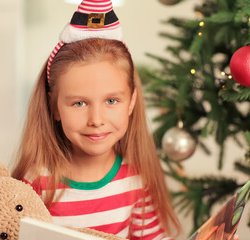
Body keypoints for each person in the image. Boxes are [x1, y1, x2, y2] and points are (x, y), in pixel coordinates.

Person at [12, 1, 180, 239]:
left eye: (111, 101)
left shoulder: (136, 180)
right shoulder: (35, 183)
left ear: (131, 101)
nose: (96, 120)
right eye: (79, 103)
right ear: (54, 106)